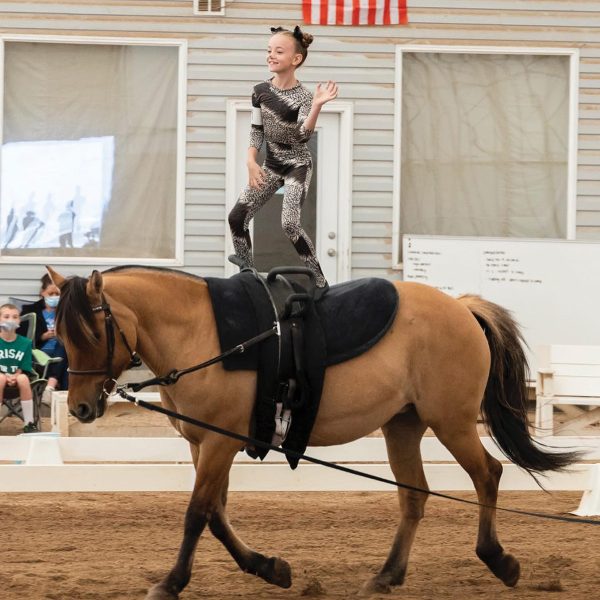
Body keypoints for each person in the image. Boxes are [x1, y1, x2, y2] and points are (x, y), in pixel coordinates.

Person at [227, 25, 338, 295]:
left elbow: (302, 136)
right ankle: (248, 274)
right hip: (272, 165)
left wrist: (316, 107)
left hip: (297, 165)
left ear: (295, 59)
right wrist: (251, 162)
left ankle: (320, 281)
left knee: (289, 223)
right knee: (237, 217)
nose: (271, 55)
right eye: (269, 50)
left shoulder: (304, 97)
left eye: (278, 51)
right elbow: (256, 131)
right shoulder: (260, 91)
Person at [18, 274, 68, 401]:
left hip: (61, 351)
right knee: (65, 362)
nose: (54, 297)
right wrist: (42, 337)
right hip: (39, 352)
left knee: (62, 344)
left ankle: (52, 388)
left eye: (57, 293)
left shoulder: (66, 311)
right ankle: (55, 387)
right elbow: (21, 337)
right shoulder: (30, 311)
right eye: (50, 293)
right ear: (42, 293)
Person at [0, 303, 37, 432]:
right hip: (0, 378)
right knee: (0, 378)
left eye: (15, 316)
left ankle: (29, 423)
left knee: (23, 379)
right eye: (6, 316)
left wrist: (15, 375)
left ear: (19, 320)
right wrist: (5, 376)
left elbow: (24, 366)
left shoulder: (25, 343)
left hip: (17, 377)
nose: (11, 320)